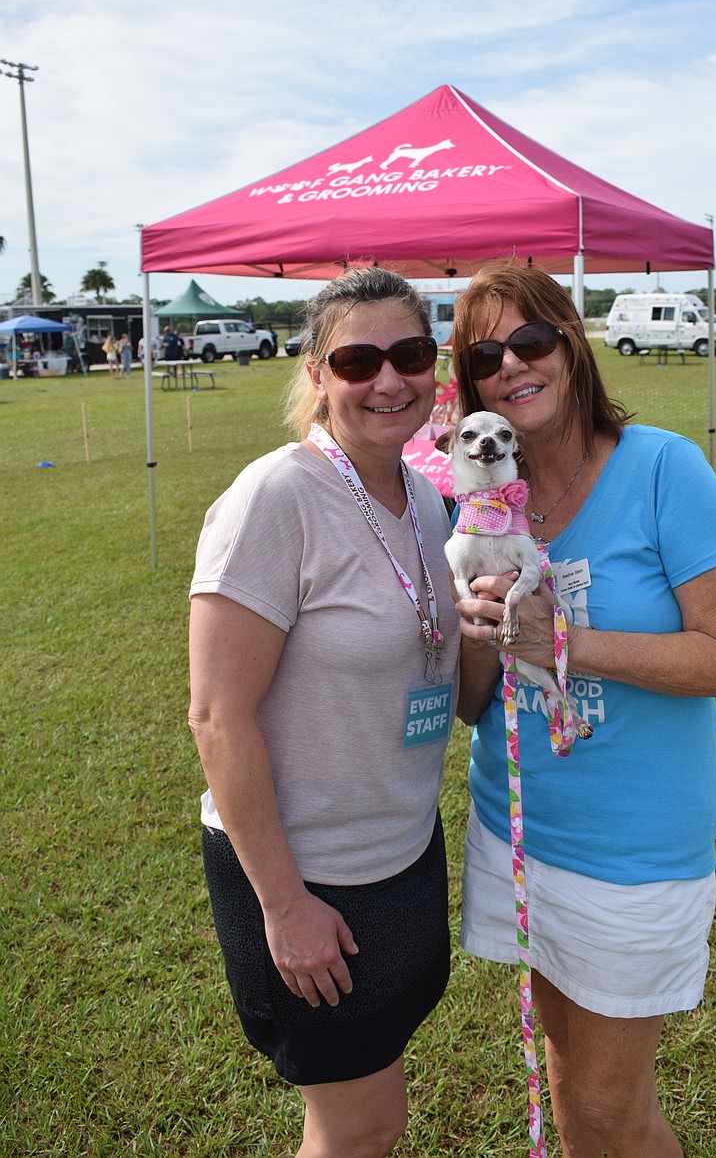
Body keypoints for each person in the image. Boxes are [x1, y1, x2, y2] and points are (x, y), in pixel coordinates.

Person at [449, 261, 716, 1158]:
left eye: (532, 340)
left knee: (605, 1109)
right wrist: (479, 638)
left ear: (573, 344)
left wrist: (566, 644)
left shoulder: (665, 467)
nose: (513, 365)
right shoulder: (479, 503)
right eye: (485, 355)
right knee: (567, 1068)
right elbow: (478, 705)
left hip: (630, 849)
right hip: (516, 826)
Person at [188, 267, 462, 1158]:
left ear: (436, 365)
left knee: (363, 1106)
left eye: (410, 354)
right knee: (363, 1127)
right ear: (317, 373)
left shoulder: (423, 497)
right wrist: (285, 906)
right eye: (358, 360)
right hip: (310, 881)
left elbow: (448, 677)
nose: (389, 380)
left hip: (404, 854)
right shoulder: (275, 497)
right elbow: (217, 719)